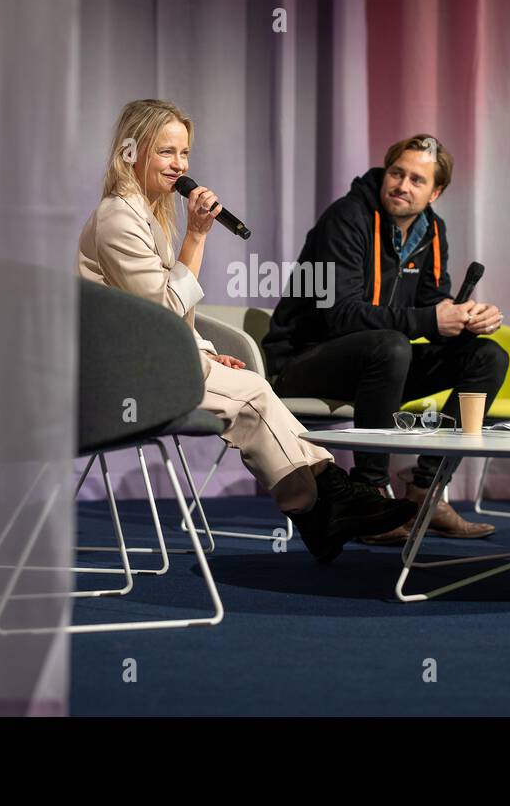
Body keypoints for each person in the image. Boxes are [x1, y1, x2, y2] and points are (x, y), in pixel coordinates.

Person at [77, 99, 416, 563]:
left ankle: (325, 506)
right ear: (131, 154)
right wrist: (196, 237)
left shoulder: (148, 214)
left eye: (185, 153)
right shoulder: (119, 218)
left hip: (152, 359)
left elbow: (159, 316)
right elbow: (161, 308)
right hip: (127, 378)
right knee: (253, 393)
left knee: (250, 388)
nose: (180, 165)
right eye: (166, 152)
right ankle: (327, 502)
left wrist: (204, 350)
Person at [265, 134, 508, 542]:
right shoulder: (347, 217)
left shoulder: (432, 230)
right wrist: (431, 320)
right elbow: (338, 315)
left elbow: (429, 299)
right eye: (397, 173)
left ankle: (426, 491)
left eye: (417, 180)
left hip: (380, 367)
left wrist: (466, 315)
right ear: (385, 171)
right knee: (391, 345)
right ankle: (369, 496)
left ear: (436, 192)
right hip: (305, 361)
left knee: (487, 356)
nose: (402, 185)